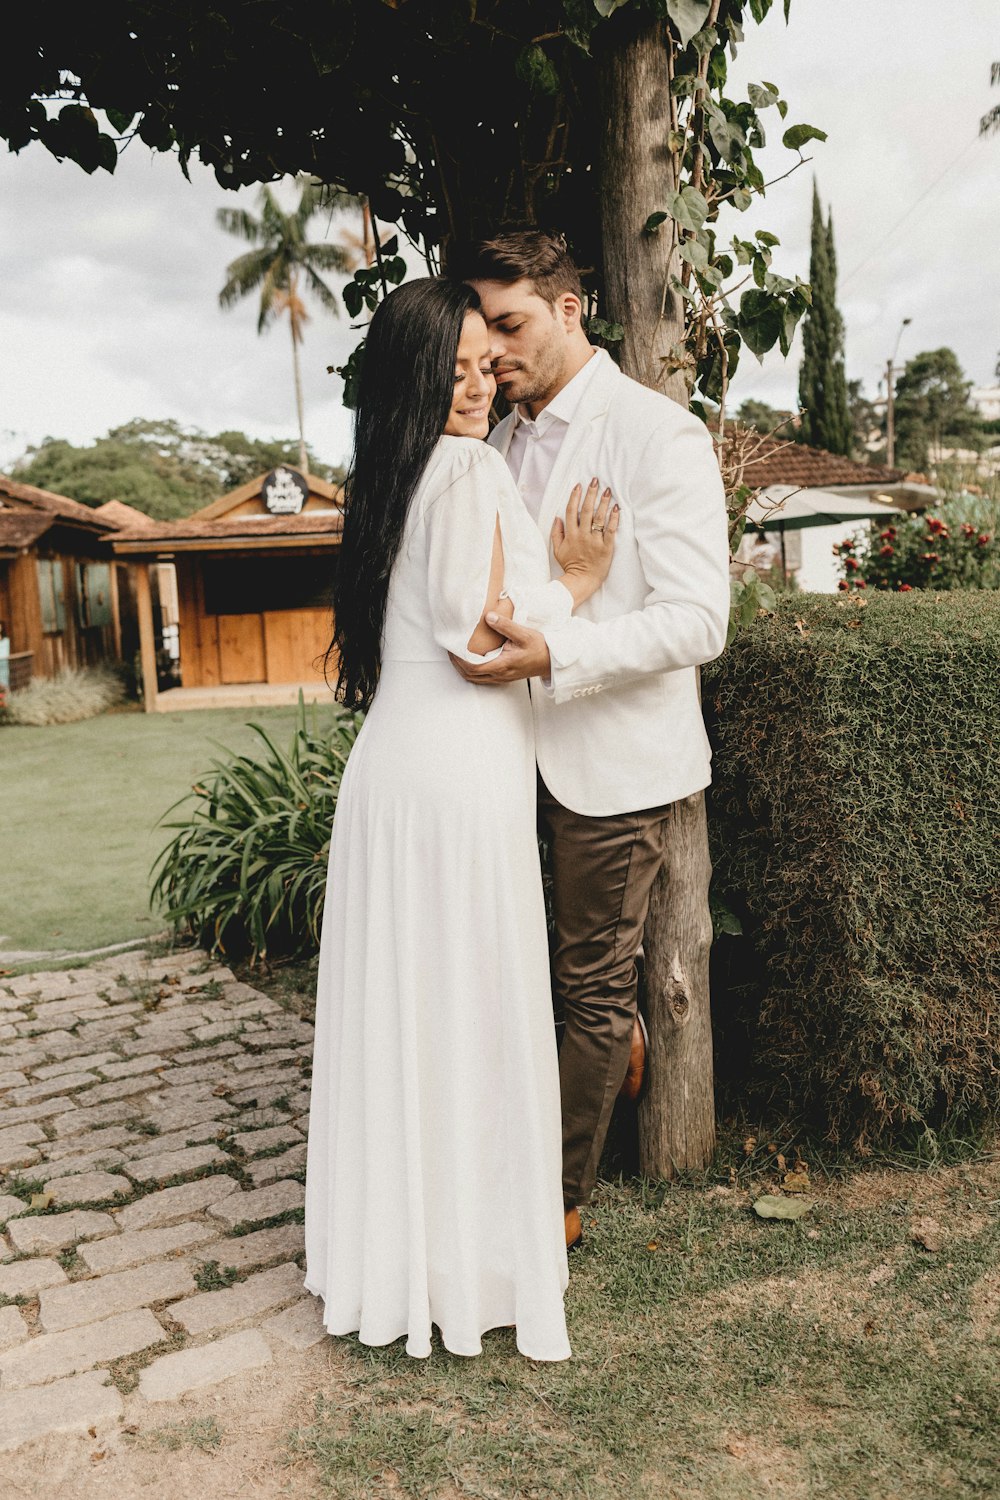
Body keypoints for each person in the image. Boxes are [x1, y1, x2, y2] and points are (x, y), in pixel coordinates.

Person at [304, 277, 618, 1361]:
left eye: (487, 369)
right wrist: (573, 585)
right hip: (456, 780)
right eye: (453, 375)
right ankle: (468, 1264)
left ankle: (398, 1256)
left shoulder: (390, 479)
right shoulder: (472, 471)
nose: (477, 390)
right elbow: (481, 651)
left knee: (415, 1015)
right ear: (413, 381)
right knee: (468, 1012)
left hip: (396, 777)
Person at [453, 232, 731, 1251]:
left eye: (512, 328)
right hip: (495, 757)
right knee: (519, 971)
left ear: (570, 310)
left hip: (612, 761)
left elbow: (701, 620)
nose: (495, 358)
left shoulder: (657, 436)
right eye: (482, 338)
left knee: (588, 988)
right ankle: (613, 1040)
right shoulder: (487, 445)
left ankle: (553, 1204)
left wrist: (556, 657)